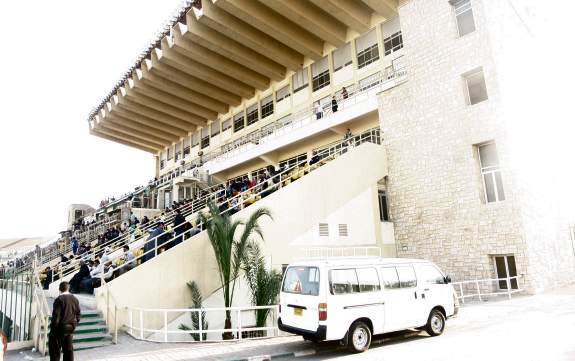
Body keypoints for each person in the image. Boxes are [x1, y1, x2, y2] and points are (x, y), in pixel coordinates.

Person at [48, 281, 80, 361]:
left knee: (55, 351)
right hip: (70, 328)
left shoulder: (59, 299)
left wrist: (52, 329)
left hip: (59, 329)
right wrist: (74, 324)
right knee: (68, 351)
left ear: (59, 289)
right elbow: (78, 315)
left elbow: (56, 317)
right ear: (68, 288)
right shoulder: (75, 299)